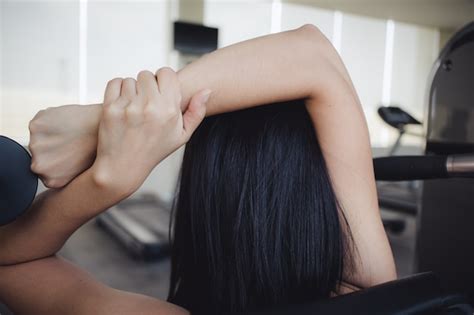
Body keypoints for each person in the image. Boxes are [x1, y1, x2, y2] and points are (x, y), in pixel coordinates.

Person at [0, 25, 396, 314]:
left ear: (202, 191)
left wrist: (109, 180)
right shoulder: (373, 290)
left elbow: (10, 260)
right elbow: (313, 56)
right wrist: (98, 124)